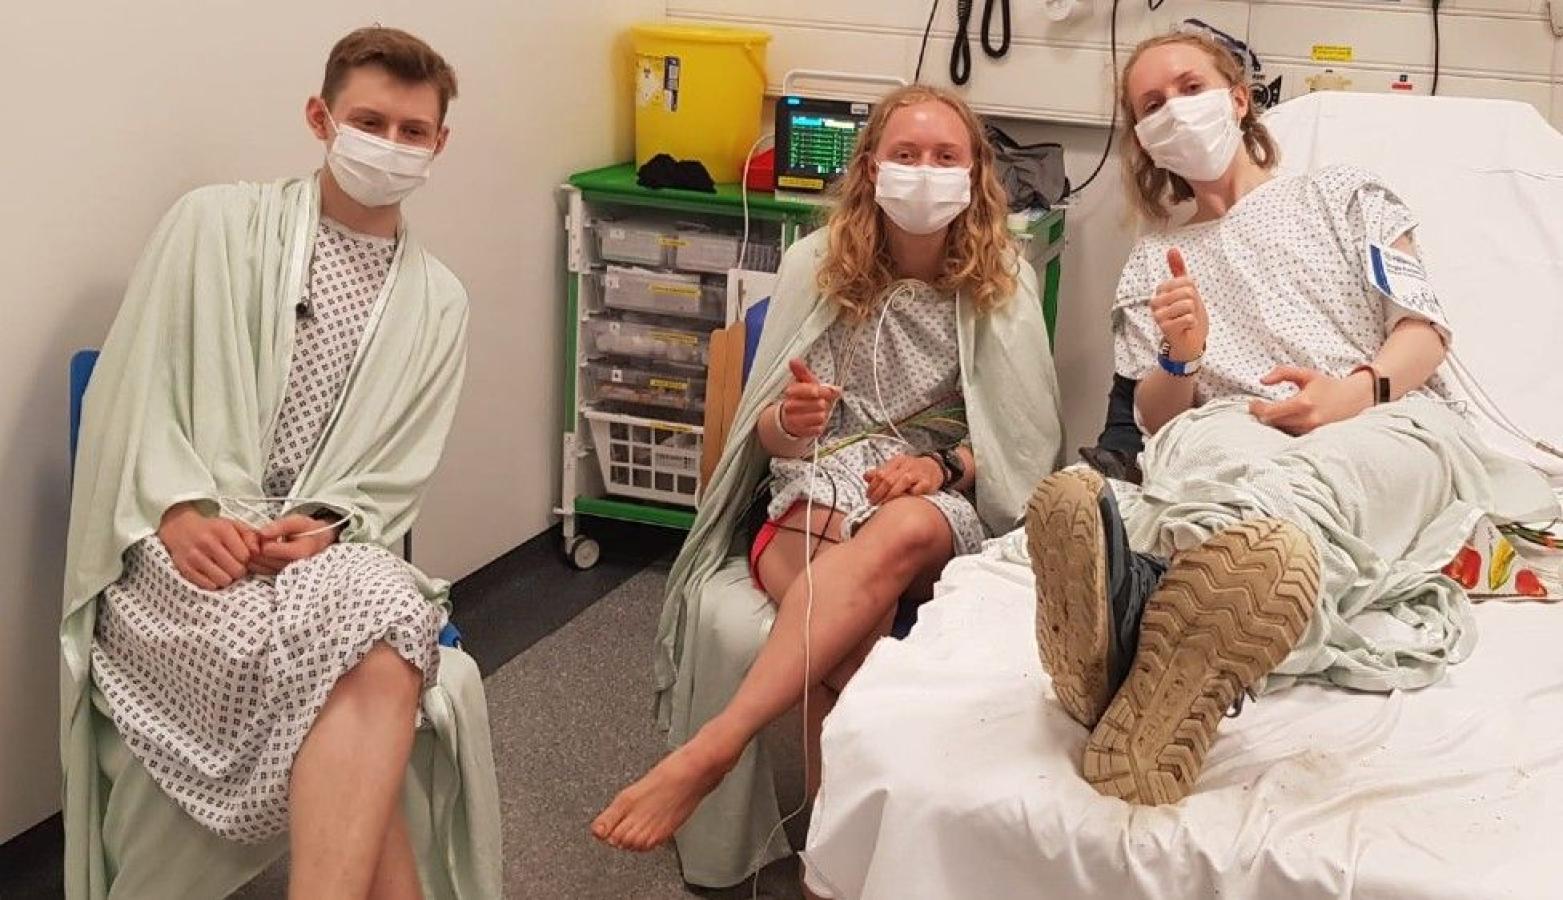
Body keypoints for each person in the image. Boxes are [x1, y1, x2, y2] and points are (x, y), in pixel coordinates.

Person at [1025, 32, 1558, 806]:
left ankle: (1134, 621)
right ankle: (1187, 642)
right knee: (1206, 466)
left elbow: (1422, 331)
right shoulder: (1152, 261)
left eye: (1189, 88)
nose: (1174, 111)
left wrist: (1351, 394)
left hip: (1384, 416)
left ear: (1238, 98)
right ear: (1141, 138)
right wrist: (1179, 357)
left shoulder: (1344, 196)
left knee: (1315, 488)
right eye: (1151, 105)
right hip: (1231, 425)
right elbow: (1153, 418)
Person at [61, 27, 500, 899]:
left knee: (378, 605)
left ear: (439, 144)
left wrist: (329, 523)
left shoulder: (438, 302)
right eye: (368, 122)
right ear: (319, 117)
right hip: (180, 552)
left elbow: (394, 473)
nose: (391, 145)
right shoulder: (211, 225)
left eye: (412, 131)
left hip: (319, 560)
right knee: (380, 642)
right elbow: (132, 394)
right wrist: (179, 512)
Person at [592, 85, 1064, 884]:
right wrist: (793, 419)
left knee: (904, 526)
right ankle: (836, 866)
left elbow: (1018, 444)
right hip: (813, 487)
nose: (924, 171)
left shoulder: (1001, 282)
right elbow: (766, 440)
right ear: (871, 166)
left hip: (932, 501)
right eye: (905, 154)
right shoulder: (815, 265)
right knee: (852, 627)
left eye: (944, 156)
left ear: (974, 173)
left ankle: (717, 746)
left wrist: (938, 467)